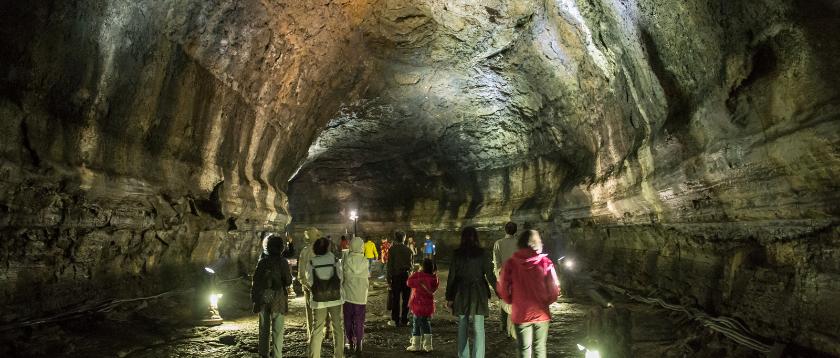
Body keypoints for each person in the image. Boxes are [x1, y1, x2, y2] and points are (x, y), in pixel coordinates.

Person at [497, 230, 560, 358]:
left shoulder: (511, 263)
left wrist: (511, 300)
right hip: (541, 311)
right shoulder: (546, 262)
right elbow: (554, 289)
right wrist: (546, 301)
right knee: (540, 348)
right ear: (536, 243)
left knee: (524, 349)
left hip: (521, 311)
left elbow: (503, 286)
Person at [446, 227, 497, 358]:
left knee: (462, 325)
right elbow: (490, 275)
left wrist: (449, 297)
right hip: (478, 291)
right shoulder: (483, 253)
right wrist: (500, 291)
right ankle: (478, 356)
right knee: (479, 327)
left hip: (461, 291)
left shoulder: (457, 254)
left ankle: (463, 355)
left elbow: (452, 276)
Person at [251, 234, 293, 358]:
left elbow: (256, 281)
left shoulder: (262, 262)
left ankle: (263, 354)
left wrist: (255, 299)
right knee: (278, 331)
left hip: (263, 298)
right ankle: (277, 354)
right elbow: (288, 281)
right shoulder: (283, 262)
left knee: (263, 329)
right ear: (281, 248)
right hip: (278, 299)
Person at [306, 238, 345, 358]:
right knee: (338, 327)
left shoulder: (311, 262)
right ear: (328, 248)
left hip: (319, 301)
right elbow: (340, 277)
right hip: (335, 298)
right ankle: (339, 355)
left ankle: (315, 355)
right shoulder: (334, 260)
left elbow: (309, 281)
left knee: (317, 329)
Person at [342, 237, 370, 355]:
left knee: (348, 320)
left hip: (348, 295)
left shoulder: (346, 260)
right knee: (359, 321)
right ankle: (359, 343)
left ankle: (350, 342)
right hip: (361, 296)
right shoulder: (365, 261)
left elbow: (342, 277)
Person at [406, 258, 439, 352]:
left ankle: (415, 344)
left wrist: (416, 275)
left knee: (416, 324)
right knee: (426, 323)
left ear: (423, 266)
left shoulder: (418, 275)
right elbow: (434, 288)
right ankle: (428, 345)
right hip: (428, 305)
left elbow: (409, 282)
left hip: (418, 304)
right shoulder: (434, 278)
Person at [492, 222, 519, 339]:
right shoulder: (519, 243)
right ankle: (512, 327)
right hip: (517, 276)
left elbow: (496, 261)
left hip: (504, 276)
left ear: (505, 230)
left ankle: (503, 325)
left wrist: (498, 276)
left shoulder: (498, 243)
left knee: (504, 300)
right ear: (516, 231)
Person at [386, 231, 414, 327]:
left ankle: (395, 319)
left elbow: (389, 265)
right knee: (406, 299)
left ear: (395, 238)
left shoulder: (392, 250)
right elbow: (411, 266)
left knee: (396, 299)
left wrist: (388, 279)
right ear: (404, 238)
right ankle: (405, 319)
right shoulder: (408, 250)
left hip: (396, 276)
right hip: (406, 276)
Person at [297, 232, 316, 338]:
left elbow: (301, 269)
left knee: (309, 311)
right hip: (320, 285)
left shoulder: (304, 251)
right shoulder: (321, 251)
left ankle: (311, 335)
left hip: (307, 285)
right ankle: (321, 333)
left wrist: (303, 282)